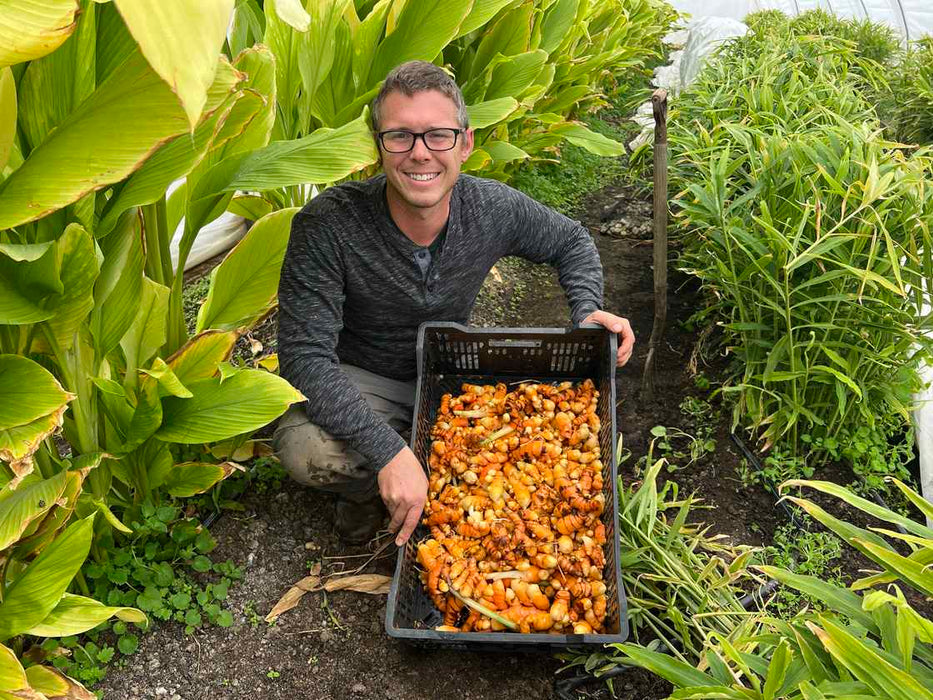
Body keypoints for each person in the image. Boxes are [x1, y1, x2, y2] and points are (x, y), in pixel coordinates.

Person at [274, 60, 635, 547]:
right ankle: (367, 492)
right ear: (378, 146)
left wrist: (587, 311)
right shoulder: (329, 225)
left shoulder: (490, 208)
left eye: (438, 135)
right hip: (367, 378)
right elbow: (305, 357)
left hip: (451, 369)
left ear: (464, 144)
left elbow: (571, 240)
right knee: (306, 450)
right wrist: (387, 453)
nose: (420, 153)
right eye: (400, 136)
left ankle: (426, 468)